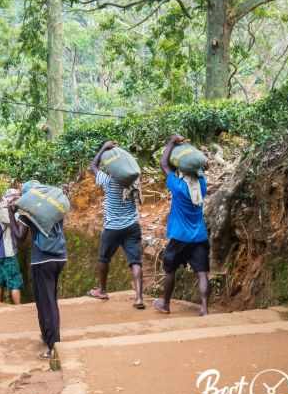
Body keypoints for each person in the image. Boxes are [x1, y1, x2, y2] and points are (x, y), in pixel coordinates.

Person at [154, 135, 210, 316]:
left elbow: (164, 164)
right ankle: (204, 308)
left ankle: (165, 304)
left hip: (179, 237)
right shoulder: (202, 184)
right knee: (202, 273)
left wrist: (171, 142)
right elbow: (201, 167)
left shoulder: (178, 186)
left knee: (170, 270)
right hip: (199, 236)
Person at [11, 181, 67, 360]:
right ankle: (47, 336)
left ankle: (53, 346)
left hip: (42, 260)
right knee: (50, 300)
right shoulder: (52, 207)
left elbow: (20, 237)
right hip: (59, 257)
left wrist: (12, 214)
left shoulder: (30, 211)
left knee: (46, 303)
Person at [87, 141, 145, 309]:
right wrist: (118, 150)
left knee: (103, 259)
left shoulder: (108, 181)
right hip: (132, 226)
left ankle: (102, 290)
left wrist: (104, 149)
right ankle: (139, 298)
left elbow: (93, 166)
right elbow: (128, 164)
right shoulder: (134, 181)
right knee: (135, 261)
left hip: (112, 228)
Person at [0, 189, 23, 304]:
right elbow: (15, 223)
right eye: (15, 198)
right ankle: (18, 307)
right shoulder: (4, 211)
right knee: (15, 281)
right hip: (8, 252)